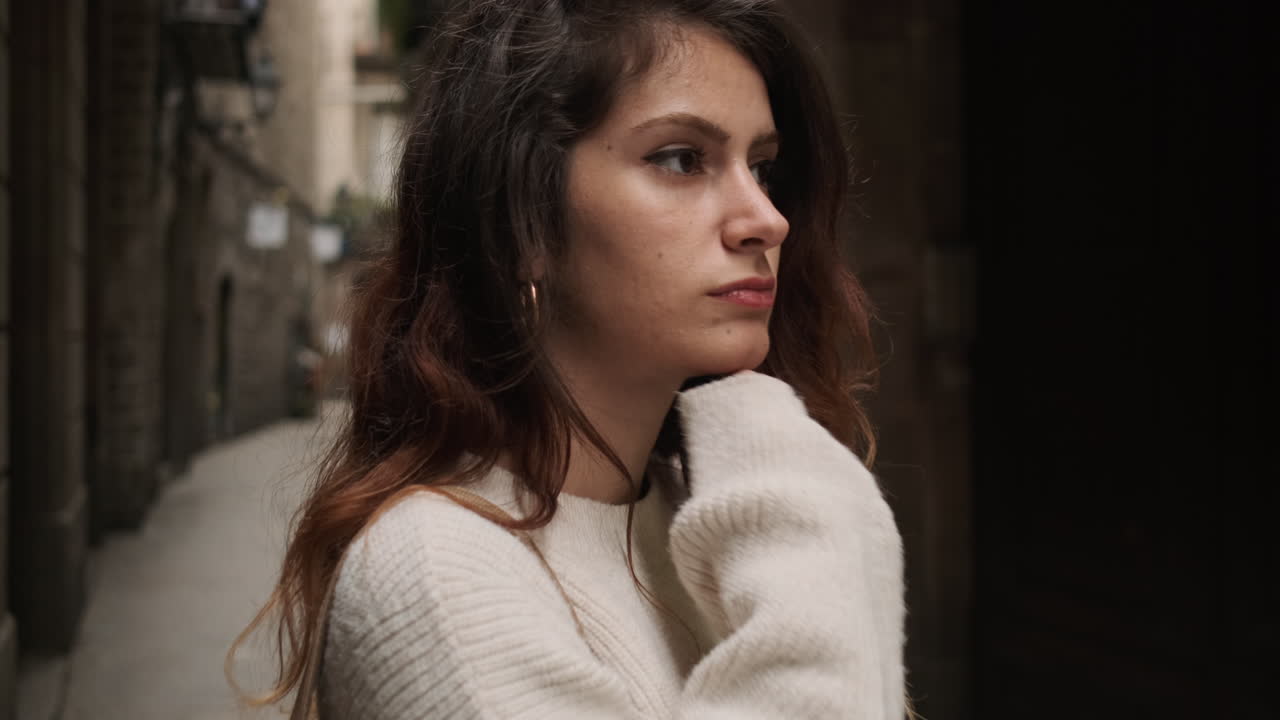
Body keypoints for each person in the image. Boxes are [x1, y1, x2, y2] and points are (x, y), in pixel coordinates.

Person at [229, 0, 909, 717]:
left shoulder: (718, 508)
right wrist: (814, 540)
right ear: (524, 222)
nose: (767, 219)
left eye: (763, 167)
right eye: (681, 159)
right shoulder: (439, 573)